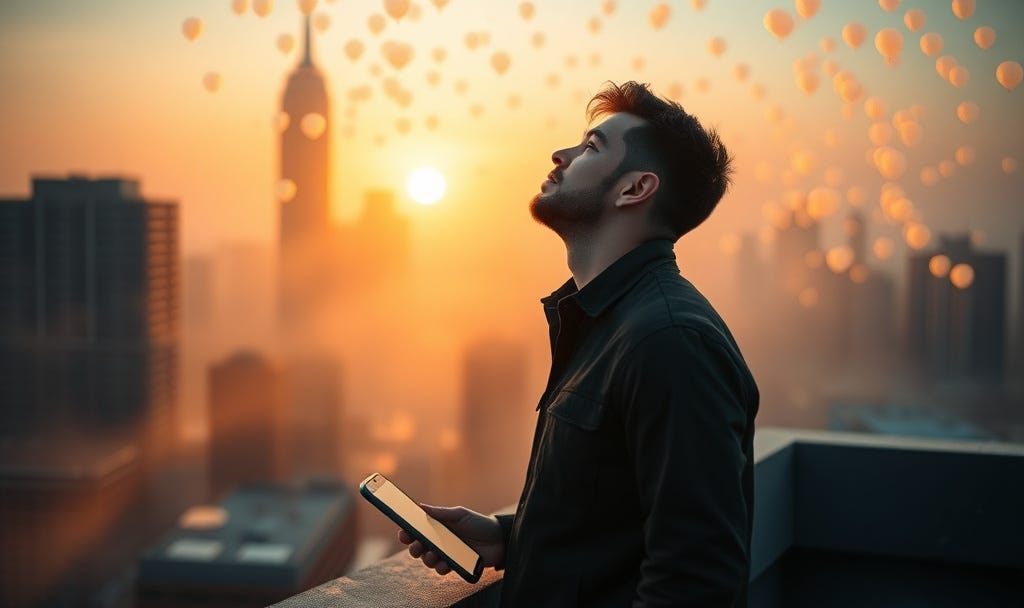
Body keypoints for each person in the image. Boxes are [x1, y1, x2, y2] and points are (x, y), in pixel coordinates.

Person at [399, 81, 759, 607]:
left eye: (592, 147)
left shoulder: (670, 342)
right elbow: (614, 511)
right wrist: (508, 537)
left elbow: (697, 582)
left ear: (634, 189)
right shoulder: (606, 324)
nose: (560, 154)